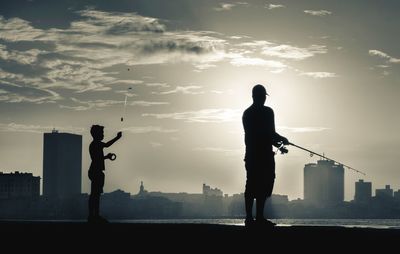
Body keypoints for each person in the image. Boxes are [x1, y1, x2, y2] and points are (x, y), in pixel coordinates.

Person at [242, 84, 289, 227]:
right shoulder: (268, 112)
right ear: (257, 96)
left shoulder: (247, 113)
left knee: (253, 185)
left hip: (252, 155)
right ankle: (258, 218)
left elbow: (262, 135)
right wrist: (282, 141)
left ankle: (251, 218)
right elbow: (269, 134)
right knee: (261, 186)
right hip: (263, 156)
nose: (263, 99)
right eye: (262, 96)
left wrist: (279, 143)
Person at [88, 125, 122, 223]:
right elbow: (107, 145)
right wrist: (117, 138)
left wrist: (106, 157)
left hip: (96, 171)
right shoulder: (96, 144)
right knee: (95, 195)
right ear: (96, 134)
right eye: (101, 133)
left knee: (96, 194)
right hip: (96, 172)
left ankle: (94, 215)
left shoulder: (95, 144)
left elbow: (97, 158)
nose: (103, 135)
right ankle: (93, 216)